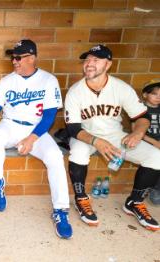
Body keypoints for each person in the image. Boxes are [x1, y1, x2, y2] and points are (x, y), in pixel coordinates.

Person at [0, 39, 73, 239]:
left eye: (19, 57)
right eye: (13, 57)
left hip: (38, 129)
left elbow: (49, 116)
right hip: (10, 124)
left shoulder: (48, 80)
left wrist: (31, 139)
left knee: (55, 156)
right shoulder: (7, 80)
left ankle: (61, 211)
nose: (14, 61)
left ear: (32, 58)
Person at [64, 44, 160, 231]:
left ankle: (134, 201)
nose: (89, 64)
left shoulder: (121, 88)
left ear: (108, 64)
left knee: (156, 157)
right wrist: (97, 142)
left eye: (96, 60)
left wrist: (138, 132)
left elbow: (142, 117)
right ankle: (81, 198)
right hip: (86, 136)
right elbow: (73, 129)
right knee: (78, 153)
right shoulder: (76, 91)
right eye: (87, 59)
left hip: (115, 135)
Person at [141, 79, 160, 205]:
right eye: (154, 94)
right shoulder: (140, 109)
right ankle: (154, 189)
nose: (158, 97)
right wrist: (155, 143)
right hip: (146, 141)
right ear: (145, 95)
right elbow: (138, 133)